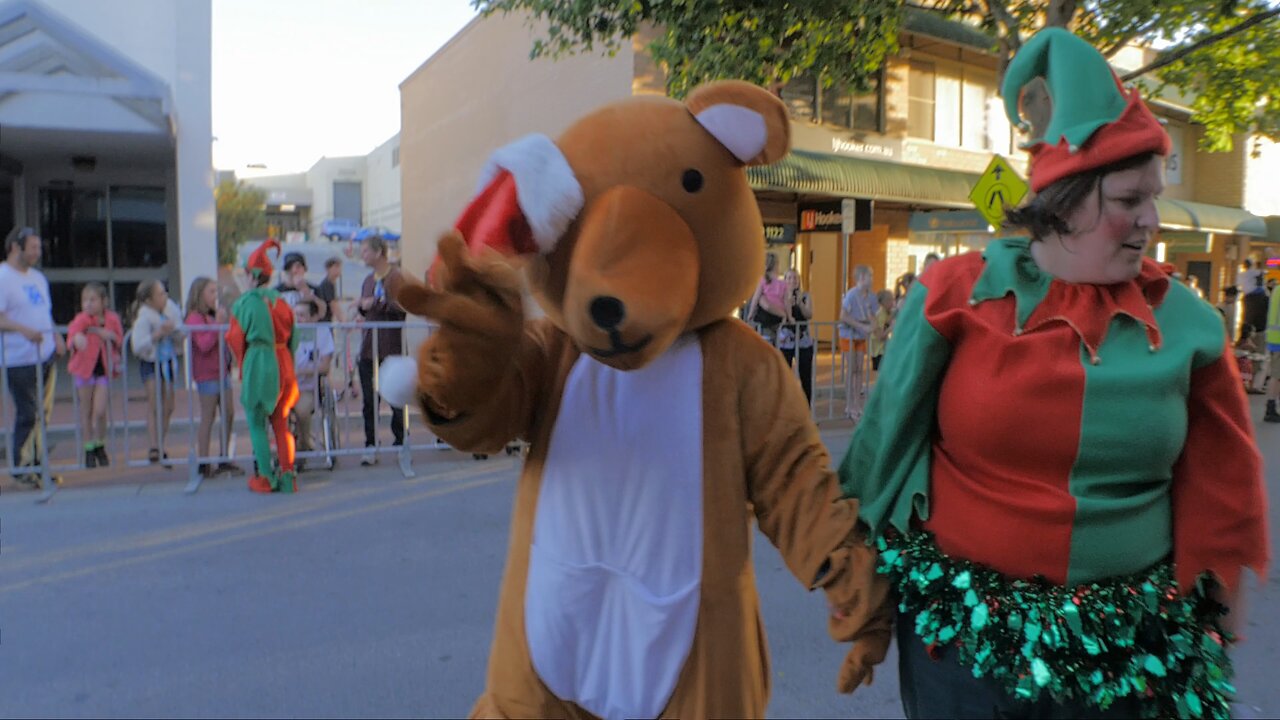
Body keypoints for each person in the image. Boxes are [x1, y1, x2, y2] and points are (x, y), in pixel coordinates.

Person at [840, 28, 1268, 720]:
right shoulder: (956, 293)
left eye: (1153, 198)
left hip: (1129, 653)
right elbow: (884, 443)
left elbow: (1222, 479)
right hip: (962, 646)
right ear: (1065, 199)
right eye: (1129, 200)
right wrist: (857, 573)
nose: (1150, 222)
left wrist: (1218, 605)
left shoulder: (1188, 322)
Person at [228, 239, 299, 493]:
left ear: (251, 275)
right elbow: (295, 337)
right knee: (281, 423)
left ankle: (266, 477)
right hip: (283, 363)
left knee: (257, 424)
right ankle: (288, 476)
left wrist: (243, 362)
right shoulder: (282, 302)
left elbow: (235, 338)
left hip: (259, 363)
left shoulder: (245, 303)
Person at [0, 227, 66, 486]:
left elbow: (43, 311)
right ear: (16, 248)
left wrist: (56, 336)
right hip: (19, 357)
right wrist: (24, 330)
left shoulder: (38, 278)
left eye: (39, 247)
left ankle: (40, 465)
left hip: (45, 353)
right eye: (33, 248)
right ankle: (22, 465)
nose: (37, 253)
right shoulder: (3, 277)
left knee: (43, 412)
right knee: (28, 412)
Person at [356, 235, 409, 472]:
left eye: (366, 250)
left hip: (390, 347)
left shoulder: (396, 277)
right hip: (369, 348)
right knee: (369, 400)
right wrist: (362, 306)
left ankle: (401, 440)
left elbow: (401, 307)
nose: (362, 255)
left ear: (378, 252)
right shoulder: (368, 279)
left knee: (396, 396)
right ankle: (370, 443)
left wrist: (374, 304)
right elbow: (365, 307)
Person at [186, 276, 241, 479]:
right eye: (211, 292)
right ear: (199, 294)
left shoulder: (211, 316)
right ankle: (203, 461)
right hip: (207, 374)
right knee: (208, 416)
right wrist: (217, 326)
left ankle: (224, 457)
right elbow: (204, 344)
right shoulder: (194, 318)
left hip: (222, 371)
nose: (214, 296)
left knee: (228, 412)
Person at [66, 282, 123, 468]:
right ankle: (89, 447)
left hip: (103, 369)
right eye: (85, 300)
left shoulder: (111, 319)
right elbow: (72, 333)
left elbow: (119, 338)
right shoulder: (82, 319)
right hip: (84, 369)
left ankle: (100, 443)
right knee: (86, 410)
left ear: (103, 301)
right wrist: (77, 338)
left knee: (99, 410)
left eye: (93, 299)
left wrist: (109, 336)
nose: (88, 304)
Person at [129, 279, 184, 464]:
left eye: (164, 292)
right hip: (151, 362)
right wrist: (157, 334)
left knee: (169, 405)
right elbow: (137, 346)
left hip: (168, 361)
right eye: (160, 294)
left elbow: (182, 333)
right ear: (149, 301)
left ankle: (160, 442)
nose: (165, 297)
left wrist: (173, 330)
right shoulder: (144, 318)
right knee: (155, 403)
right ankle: (154, 446)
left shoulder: (172, 310)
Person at [291, 298, 334, 472]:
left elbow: (324, 365)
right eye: (296, 315)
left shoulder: (322, 333)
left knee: (302, 410)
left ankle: (302, 447)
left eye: (302, 315)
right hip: (287, 386)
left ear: (314, 317)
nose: (298, 319)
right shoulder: (289, 331)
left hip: (309, 387)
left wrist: (300, 371)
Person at [838, 265, 876, 422]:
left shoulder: (871, 297)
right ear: (861, 277)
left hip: (861, 336)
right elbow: (843, 315)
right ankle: (849, 404)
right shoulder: (852, 295)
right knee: (852, 367)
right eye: (869, 276)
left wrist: (871, 326)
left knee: (859, 369)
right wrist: (861, 325)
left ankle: (857, 403)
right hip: (848, 334)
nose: (871, 279)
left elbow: (873, 316)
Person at [776, 268, 814, 405]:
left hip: (803, 340)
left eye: (795, 278)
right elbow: (779, 315)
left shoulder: (806, 296)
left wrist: (799, 303)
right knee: (785, 375)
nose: (793, 281)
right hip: (786, 340)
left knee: (805, 376)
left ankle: (806, 410)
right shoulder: (780, 296)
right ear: (784, 280)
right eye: (789, 278)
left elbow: (809, 315)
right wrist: (787, 304)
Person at [745, 252, 788, 343]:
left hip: (766, 316)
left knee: (765, 335)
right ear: (776, 265)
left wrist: (750, 314)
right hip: (778, 314)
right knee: (777, 336)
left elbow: (755, 299)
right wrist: (787, 315)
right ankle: (780, 335)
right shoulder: (783, 284)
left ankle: (768, 340)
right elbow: (786, 301)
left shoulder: (763, 281)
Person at [276, 252, 331, 322]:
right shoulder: (277, 291)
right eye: (289, 268)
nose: (294, 271)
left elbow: (323, 312)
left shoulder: (314, 289)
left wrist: (310, 295)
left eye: (298, 267)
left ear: (304, 269)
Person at [1239, 259, 1268, 335]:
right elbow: (1264, 272)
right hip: (1258, 297)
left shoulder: (1241, 275)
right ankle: (1256, 333)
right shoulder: (1254, 272)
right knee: (1259, 319)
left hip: (1248, 298)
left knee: (1248, 318)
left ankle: (1246, 335)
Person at [1266, 281, 1280, 422]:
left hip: (1274, 338)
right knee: (1277, 376)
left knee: (1276, 375)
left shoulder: (1276, 290)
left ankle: (1271, 406)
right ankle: (1270, 408)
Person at [319, 256, 345, 323]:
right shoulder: (327, 284)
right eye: (336, 267)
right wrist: (343, 321)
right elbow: (333, 305)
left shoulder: (331, 283)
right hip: (323, 322)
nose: (339, 269)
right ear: (328, 269)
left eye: (339, 267)